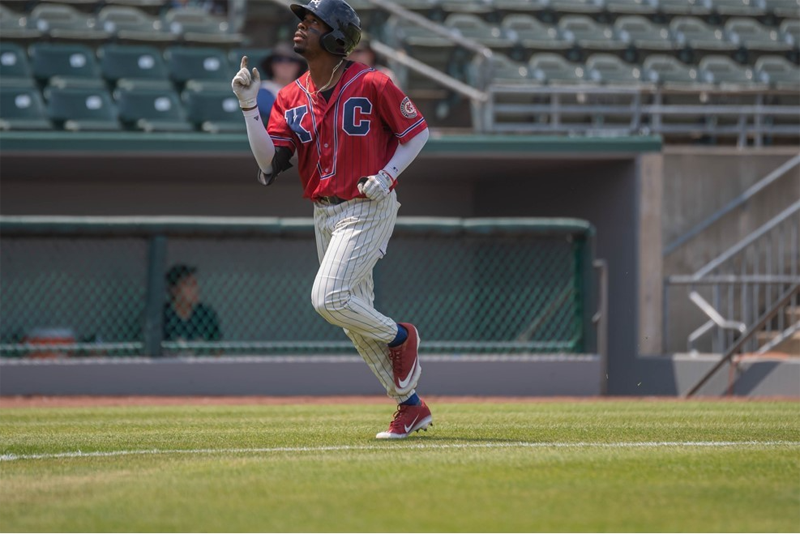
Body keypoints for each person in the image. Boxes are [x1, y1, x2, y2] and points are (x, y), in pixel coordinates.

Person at [232, 0, 431, 439]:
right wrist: (249, 108)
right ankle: (410, 406)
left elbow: (417, 133)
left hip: (367, 204)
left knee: (328, 298)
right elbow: (270, 162)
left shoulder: (373, 81)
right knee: (353, 320)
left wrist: (387, 174)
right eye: (302, 20)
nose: (301, 26)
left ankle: (400, 337)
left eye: (312, 21)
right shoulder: (288, 95)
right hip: (324, 213)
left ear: (336, 35)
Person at [163, 264, 221, 346]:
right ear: (174, 290)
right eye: (189, 284)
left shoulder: (205, 314)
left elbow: (218, 351)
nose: (195, 289)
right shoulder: (162, 315)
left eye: (195, 284)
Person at [257, 43, 307, 120]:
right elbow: (277, 113)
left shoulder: (307, 90)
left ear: (298, 66)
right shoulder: (263, 89)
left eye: (291, 60)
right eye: (279, 60)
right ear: (272, 65)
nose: (285, 65)